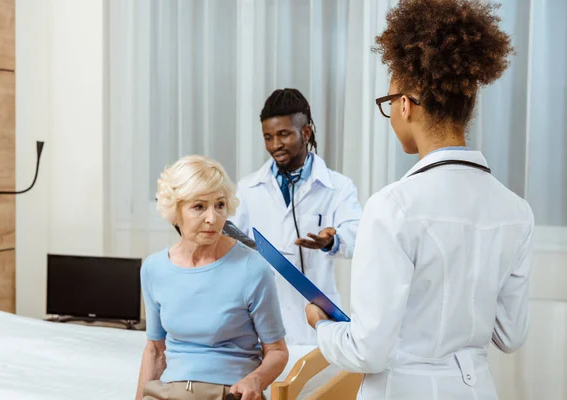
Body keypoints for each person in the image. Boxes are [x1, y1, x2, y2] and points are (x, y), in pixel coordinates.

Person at [305, 1, 534, 399]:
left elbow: (367, 351)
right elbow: (511, 336)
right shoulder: (516, 211)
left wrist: (321, 326)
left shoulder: (394, 207)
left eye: (389, 102)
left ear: (405, 105)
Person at [136, 155, 288, 400]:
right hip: (168, 391)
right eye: (199, 207)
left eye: (219, 205)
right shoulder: (154, 269)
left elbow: (277, 351)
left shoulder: (253, 269)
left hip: (229, 392)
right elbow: (155, 350)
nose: (213, 218)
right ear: (175, 212)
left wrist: (255, 380)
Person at [230, 88, 363, 345]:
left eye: (283, 134)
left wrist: (330, 241)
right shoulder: (248, 188)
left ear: (306, 132)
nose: (275, 145)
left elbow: (357, 236)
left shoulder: (338, 186)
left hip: (315, 320)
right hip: (264, 318)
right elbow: (231, 239)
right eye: (268, 137)